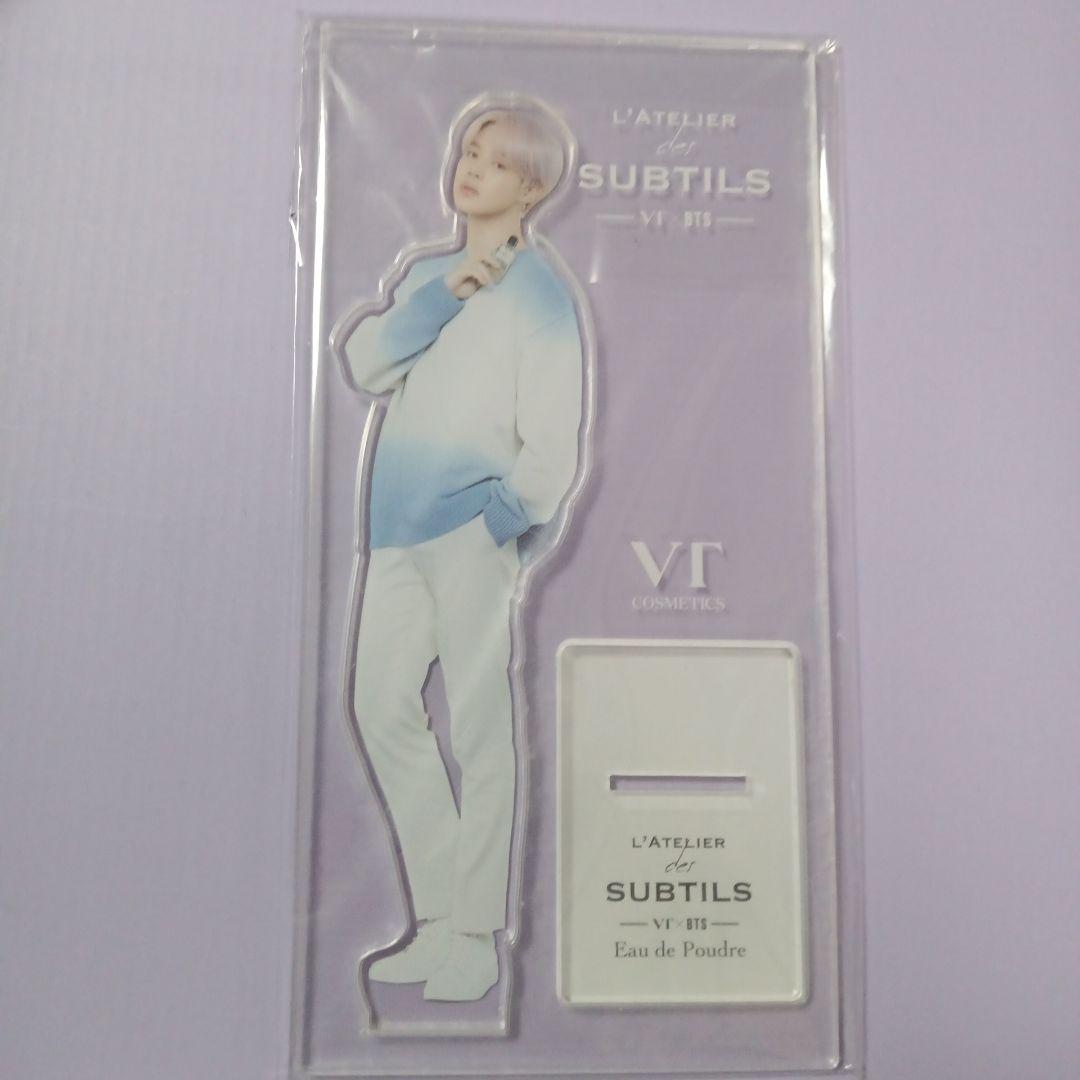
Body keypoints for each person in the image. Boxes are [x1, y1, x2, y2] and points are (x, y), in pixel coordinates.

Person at [331, 103, 585, 1002]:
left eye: (497, 161)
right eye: (470, 150)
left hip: (472, 534)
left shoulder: (544, 296)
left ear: (533, 188)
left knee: (480, 727)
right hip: (394, 532)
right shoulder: (428, 278)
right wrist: (449, 293)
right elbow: (365, 364)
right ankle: (439, 917)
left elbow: (554, 437)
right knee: (380, 708)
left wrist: (502, 522)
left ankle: (476, 936)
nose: (471, 167)